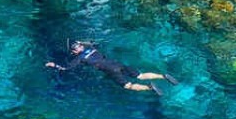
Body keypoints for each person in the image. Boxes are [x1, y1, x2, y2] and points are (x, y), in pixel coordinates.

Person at [45, 40, 179, 94]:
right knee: (141, 75)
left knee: (128, 86)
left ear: (74, 52)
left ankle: (149, 87)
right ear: (81, 46)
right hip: (117, 64)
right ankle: (163, 76)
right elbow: (93, 43)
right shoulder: (91, 48)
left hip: (110, 70)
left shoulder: (79, 58)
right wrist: (82, 42)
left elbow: (67, 69)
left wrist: (54, 65)